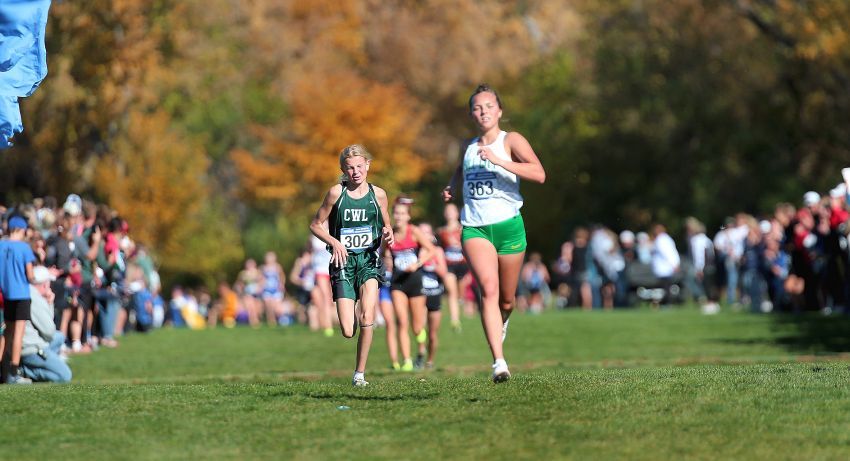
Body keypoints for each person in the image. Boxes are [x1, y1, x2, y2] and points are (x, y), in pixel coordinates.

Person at [442, 83, 546, 383]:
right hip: (475, 227)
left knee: (507, 300)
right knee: (487, 288)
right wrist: (452, 186)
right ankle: (499, 363)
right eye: (477, 107)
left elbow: (539, 174)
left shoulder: (510, 140)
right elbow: (460, 171)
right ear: (471, 114)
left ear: (499, 111)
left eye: (488, 106)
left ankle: (504, 320)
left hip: (509, 226)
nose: (483, 111)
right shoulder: (467, 146)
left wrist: (501, 161)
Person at [310, 144, 394, 387]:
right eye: (350, 168)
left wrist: (389, 235)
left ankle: (359, 374)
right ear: (343, 170)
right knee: (348, 330)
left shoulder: (379, 195)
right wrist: (334, 241)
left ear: (368, 165)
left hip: (368, 261)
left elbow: (387, 226)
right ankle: (353, 314)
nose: (356, 172)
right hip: (343, 264)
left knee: (368, 315)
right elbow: (315, 225)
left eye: (359, 166)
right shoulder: (336, 193)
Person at [386, 197, 435, 370]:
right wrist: (387, 262)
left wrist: (418, 264)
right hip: (397, 282)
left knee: (416, 325)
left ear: (408, 216)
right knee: (401, 321)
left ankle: (421, 350)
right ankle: (406, 360)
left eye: (402, 214)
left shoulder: (414, 231)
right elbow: (384, 253)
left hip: (414, 281)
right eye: (396, 213)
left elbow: (431, 249)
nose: (398, 217)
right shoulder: (389, 234)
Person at [20, 266, 72, 383]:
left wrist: (49, 303)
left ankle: (40, 364)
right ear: (44, 285)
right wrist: (50, 304)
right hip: (31, 349)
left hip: (27, 344)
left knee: (60, 337)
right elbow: (49, 331)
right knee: (65, 375)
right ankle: (24, 371)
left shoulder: (29, 292)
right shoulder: (35, 298)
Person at [0, 215, 36, 383]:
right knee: (19, 334)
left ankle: (2, 369)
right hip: (21, 294)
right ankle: (14, 372)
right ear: (22, 230)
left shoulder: (1, 245)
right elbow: (30, 275)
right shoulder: (24, 248)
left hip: (7, 294)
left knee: (7, 332)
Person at [419, 223, 448, 369]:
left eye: (427, 232)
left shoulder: (438, 251)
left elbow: (444, 272)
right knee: (419, 328)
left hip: (435, 293)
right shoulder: (416, 250)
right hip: (420, 294)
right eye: (421, 232)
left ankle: (430, 360)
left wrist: (433, 264)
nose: (425, 236)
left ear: (432, 235)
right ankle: (420, 352)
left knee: (432, 334)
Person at [437, 203, 468, 331]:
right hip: (448, 265)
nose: (449, 213)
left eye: (452, 210)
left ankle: (461, 302)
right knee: (451, 291)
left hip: (463, 264)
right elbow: (438, 248)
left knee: (460, 294)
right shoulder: (441, 232)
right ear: (445, 214)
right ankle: (455, 320)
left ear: (457, 213)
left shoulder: (464, 229)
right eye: (447, 211)